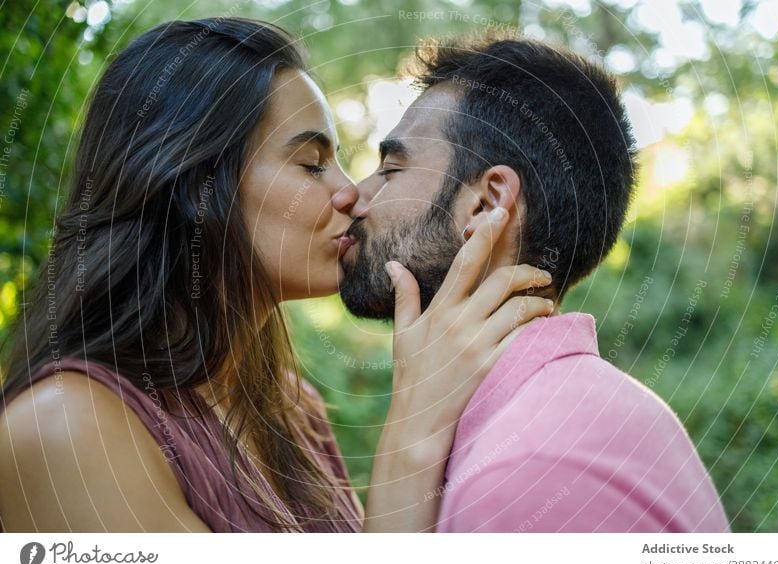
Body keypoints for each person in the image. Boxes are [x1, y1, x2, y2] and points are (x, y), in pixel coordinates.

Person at [0, 19, 555, 533]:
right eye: (312, 163)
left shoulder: (292, 407)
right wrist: (413, 434)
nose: (351, 193)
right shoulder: (64, 430)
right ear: (198, 187)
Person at [336, 36, 731, 532]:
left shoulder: (531, 469)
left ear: (486, 202)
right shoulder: (551, 417)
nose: (355, 196)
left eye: (392, 169)